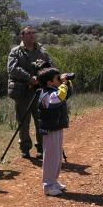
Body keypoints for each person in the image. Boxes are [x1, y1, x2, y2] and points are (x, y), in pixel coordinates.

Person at [7, 26, 52, 159]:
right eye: (29, 33)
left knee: (41, 121)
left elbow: (50, 66)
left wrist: (41, 77)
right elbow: (12, 69)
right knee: (23, 122)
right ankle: (25, 149)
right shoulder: (15, 52)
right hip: (23, 92)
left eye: (33, 33)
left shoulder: (42, 51)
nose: (32, 35)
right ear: (22, 36)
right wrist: (29, 78)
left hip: (40, 92)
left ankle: (41, 149)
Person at [37, 67, 73, 196]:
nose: (59, 80)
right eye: (56, 78)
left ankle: (53, 181)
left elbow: (66, 94)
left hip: (56, 127)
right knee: (51, 157)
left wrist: (66, 83)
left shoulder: (53, 90)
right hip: (50, 129)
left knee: (57, 156)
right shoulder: (46, 94)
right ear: (49, 82)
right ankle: (48, 185)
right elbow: (58, 98)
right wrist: (63, 84)